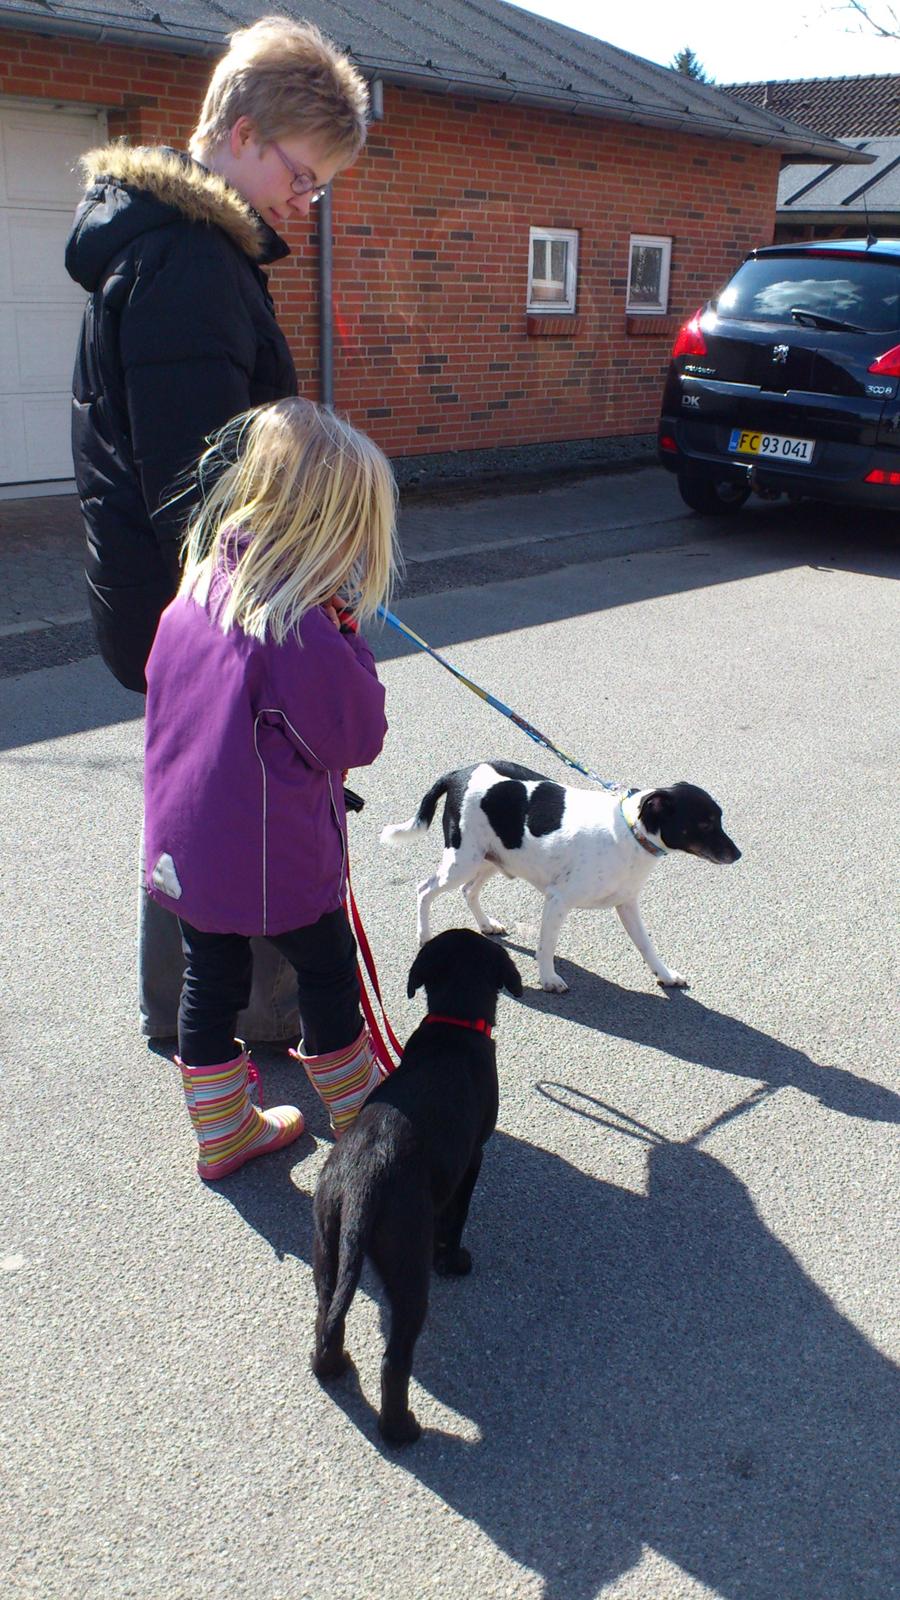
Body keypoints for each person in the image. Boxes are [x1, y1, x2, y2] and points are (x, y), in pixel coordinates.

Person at [65, 16, 369, 1044]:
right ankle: (254, 1018)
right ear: (241, 132)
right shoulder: (189, 264)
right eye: (304, 173)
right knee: (253, 806)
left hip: (174, 602)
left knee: (195, 797)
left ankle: (189, 1013)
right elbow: (199, 485)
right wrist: (290, 595)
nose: (306, 201)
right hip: (214, 607)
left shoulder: (172, 245)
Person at [143, 397, 399, 1180]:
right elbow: (357, 736)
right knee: (327, 970)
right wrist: (348, 639)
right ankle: (360, 1118)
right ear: (332, 525)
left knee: (208, 975)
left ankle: (222, 1131)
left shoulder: (199, 587)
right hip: (274, 857)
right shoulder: (298, 622)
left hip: (187, 845)